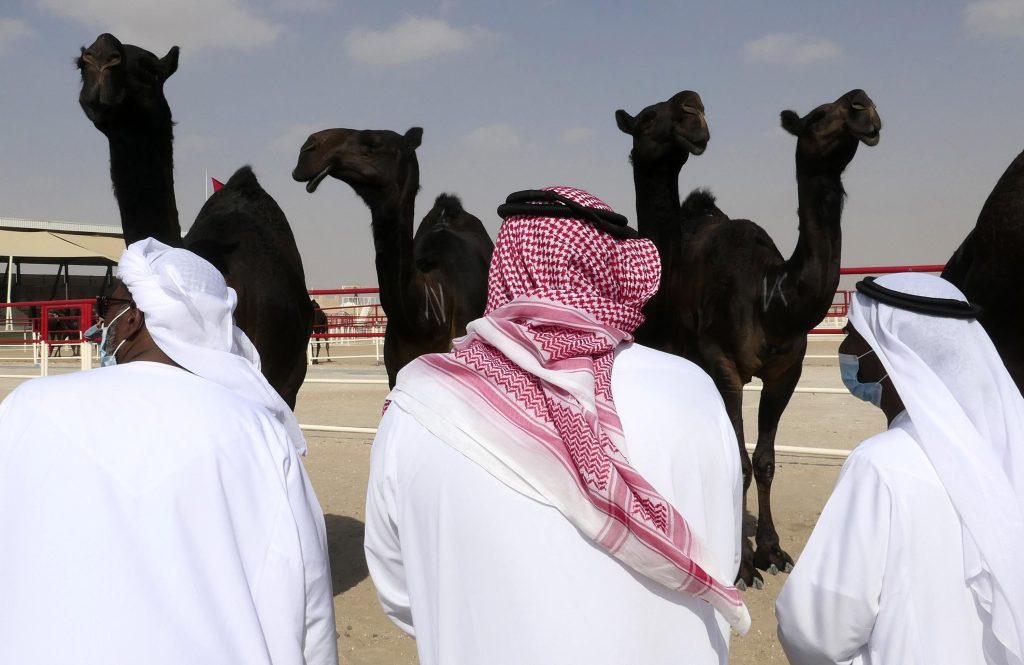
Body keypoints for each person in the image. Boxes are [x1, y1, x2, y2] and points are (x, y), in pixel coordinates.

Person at [364, 186, 749, 665]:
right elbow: (723, 556)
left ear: (505, 263)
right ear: (613, 266)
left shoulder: (417, 404)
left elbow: (402, 594)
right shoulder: (694, 390)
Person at [0, 239, 338, 665]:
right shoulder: (258, 434)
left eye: (109, 304)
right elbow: (309, 611)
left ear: (132, 320)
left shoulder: (28, 406)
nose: (101, 317)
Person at [775, 272, 1024, 665]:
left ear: (889, 351)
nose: (846, 348)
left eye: (854, 335)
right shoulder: (1007, 447)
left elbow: (816, 631)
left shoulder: (882, 465)